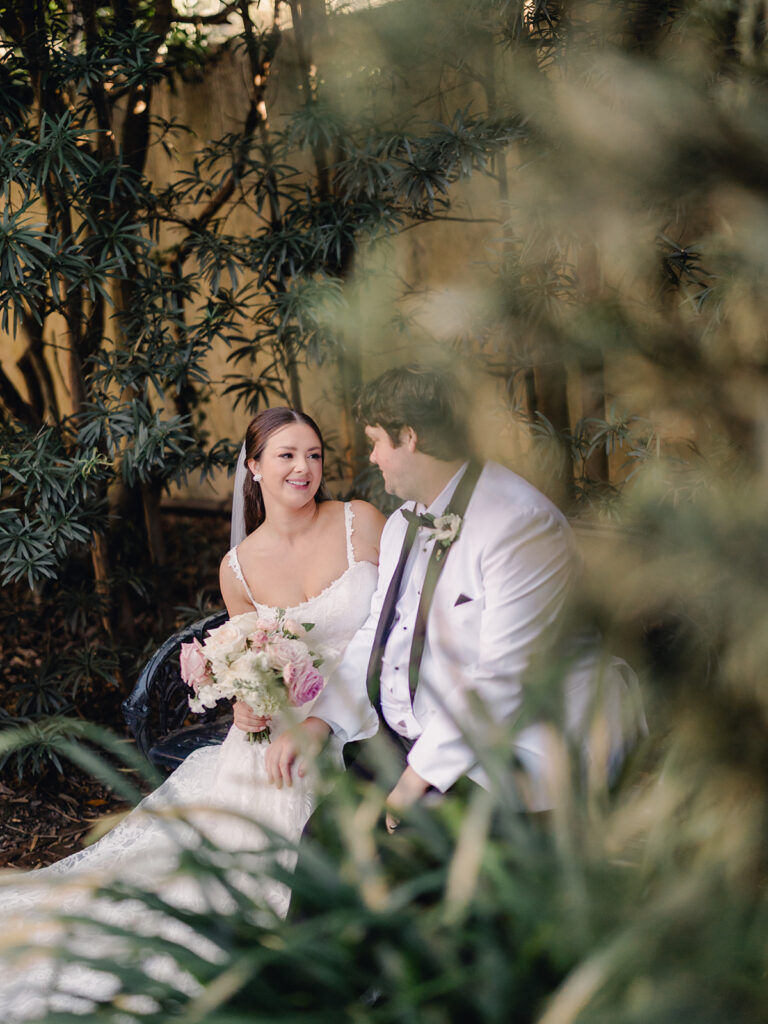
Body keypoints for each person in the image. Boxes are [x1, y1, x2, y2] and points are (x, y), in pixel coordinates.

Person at [0, 406, 385, 1020]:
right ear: (253, 468)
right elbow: (246, 658)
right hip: (283, 733)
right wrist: (246, 707)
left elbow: (401, 621)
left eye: (313, 454)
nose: (304, 468)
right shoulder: (239, 567)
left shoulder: (360, 523)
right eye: (286, 455)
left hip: (370, 716)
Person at [258, 365, 644, 832]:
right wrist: (322, 720)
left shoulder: (518, 525)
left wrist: (414, 781)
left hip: (517, 748)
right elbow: (376, 635)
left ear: (411, 437)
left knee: (388, 859)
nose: (374, 458)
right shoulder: (405, 522)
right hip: (421, 738)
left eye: (377, 442)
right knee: (325, 835)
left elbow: (503, 678)